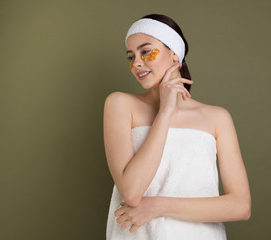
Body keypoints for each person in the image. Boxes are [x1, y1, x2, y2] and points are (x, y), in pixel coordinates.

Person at [103, 13, 251, 240]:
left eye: (146, 51)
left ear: (174, 54)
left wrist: (157, 206)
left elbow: (240, 206)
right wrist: (165, 112)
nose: (137, 63)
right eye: (131, 57)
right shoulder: (120, 104)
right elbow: (131, 193)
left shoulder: (217, 117)